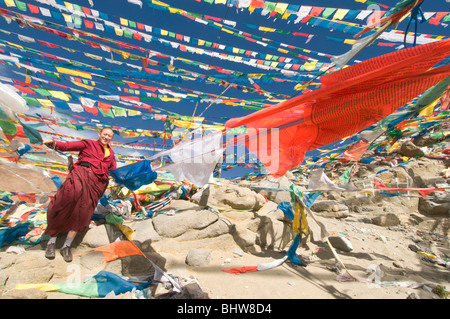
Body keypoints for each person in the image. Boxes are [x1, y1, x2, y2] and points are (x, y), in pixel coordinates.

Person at [42, 127, 117, 262]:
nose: (106, 137)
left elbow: (114, 171)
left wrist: (128, 176)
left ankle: (66, 246)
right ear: (99, 134)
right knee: (63, 204)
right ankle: (51, 243)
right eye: (105, 134)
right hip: (80, 175)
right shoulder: (88, 144)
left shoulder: (111, 154)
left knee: (83, 212)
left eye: (109, 136)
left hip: (96, 184)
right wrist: (52, 143)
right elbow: (67, 146)